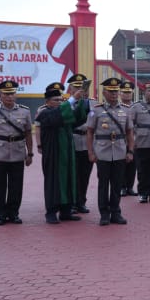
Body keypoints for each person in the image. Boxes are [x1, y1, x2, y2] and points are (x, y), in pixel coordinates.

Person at [35, 81, 91, 223]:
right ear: (47, 101)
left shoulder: (61, 111)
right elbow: (57, 116)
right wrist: (73, 99)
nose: (59, 102)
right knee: (54, 181)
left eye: (61, 100)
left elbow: (77, 119)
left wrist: (82, 101)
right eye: (56, 100)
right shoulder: (44, 113)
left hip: (68, 152)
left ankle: (66, 211)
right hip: (54, 154)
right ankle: (51, 212)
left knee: (69, 180)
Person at [0, 80, 34, 225]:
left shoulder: (24, 111)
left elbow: (28, 133)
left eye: (12, 94)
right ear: (0, 95)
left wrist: (30, 153)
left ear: (15, 95)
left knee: (16, 185)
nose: (9, 97)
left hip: (17, 152)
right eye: (6, 94)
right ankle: (0, 214)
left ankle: (13, 213)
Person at [85, 77, 134, 226]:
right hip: (103, 151)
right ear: (104, 92)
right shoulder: (96, 110)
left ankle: (116, 212)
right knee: (103, 184)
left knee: (117, 183)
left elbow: (130, 133)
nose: (114, 94)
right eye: (110, 91)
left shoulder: (125, 110)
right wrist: (91, 152)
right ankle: (104, 214)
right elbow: (89, 132)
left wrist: (130, 151)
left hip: (119, 151)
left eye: (115, 91)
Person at [67, 73, 95, 214]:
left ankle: (81, 202)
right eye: (76, 87)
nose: (80, 90)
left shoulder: (92, 103)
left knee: (85, 175)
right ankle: (71, 203)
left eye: (83, 87)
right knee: (73, 175)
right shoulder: (67, 104)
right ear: (70, 89)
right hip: (73, 141)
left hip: (87, 142)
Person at [130, 82, 150, 203]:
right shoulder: (136, 107)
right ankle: (143, 193)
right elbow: (130, 125)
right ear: (144, 93)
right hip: (142, 142)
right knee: (143, 169)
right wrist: (132, 142)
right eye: (149, 91)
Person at [118, 82, 139, 197]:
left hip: (134, 140)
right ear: (120, 93)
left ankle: (130, 187)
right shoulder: (116, 107)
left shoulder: (136, 107)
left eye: (129, 92)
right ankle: (122, 187)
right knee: (121, 165)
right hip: (119, 141)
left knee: (132, 165)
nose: (127, 95)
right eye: (124, 92)